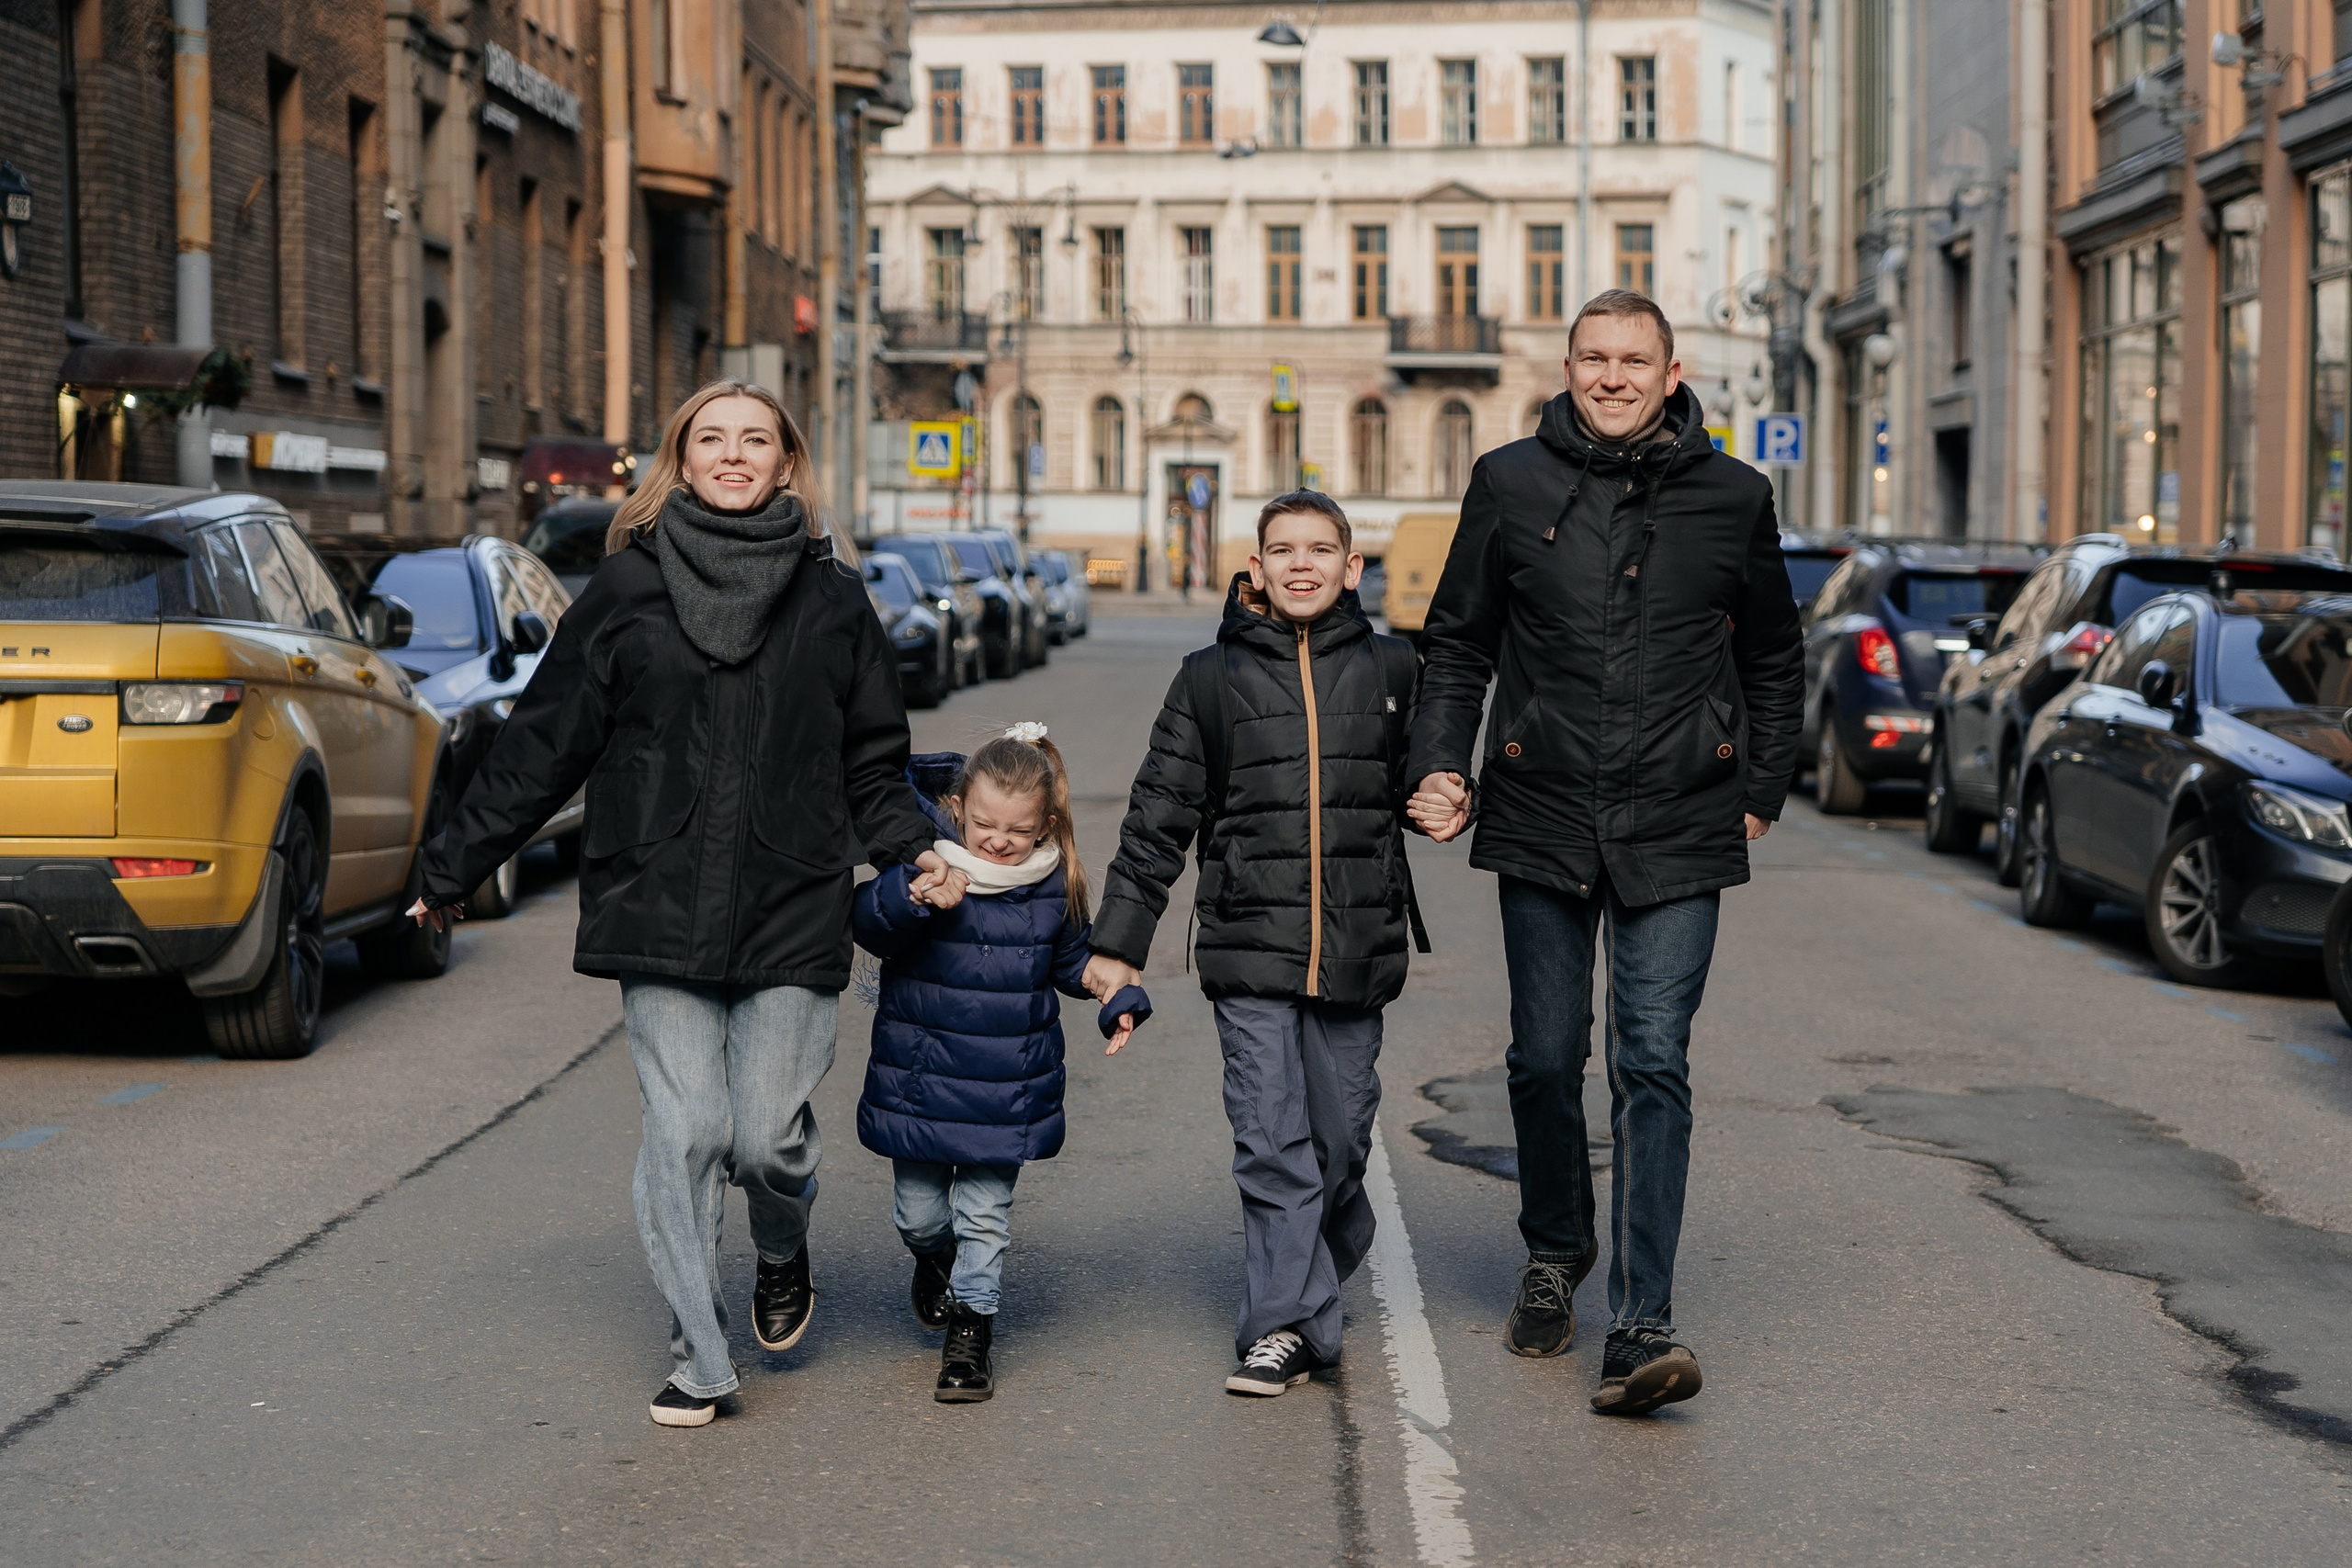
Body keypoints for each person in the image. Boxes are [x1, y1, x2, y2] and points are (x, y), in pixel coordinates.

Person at [404, 378, 962, 1429]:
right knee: (688, 1132)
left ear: (787, 463)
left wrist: (923, 852)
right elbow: (544, 741)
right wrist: (448, 868)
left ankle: (782, 1247)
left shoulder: (834, 600)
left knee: (768, 1144)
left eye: (757, 440)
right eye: (714, 439)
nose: (736, 455)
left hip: (793, 901)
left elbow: (874, 767)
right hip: (656, 897)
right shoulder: (625, 591)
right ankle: (699, 1358)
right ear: (683, 459)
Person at [1405, 289, 1804, 1416]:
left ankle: (1640, 1327)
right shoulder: (1509, 482)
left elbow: (1775, 653)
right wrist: (1440, 764)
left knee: (1652, 1060)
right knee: (1540, 1058)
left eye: (1636, 360)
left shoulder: (1733, 497)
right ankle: (1553, 1251)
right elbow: (1457, 643)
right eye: (1595, 358)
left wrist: (1760, 788)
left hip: (1681, 817)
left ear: (1672, 373)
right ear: (1568, 366)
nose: (1614, 377)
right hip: (1539, 808)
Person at [1087, 490, 1424, 1397]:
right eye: (1284, 550)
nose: (1303, 564)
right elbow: (1158, 816)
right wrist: (1119, 943)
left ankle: (1306, 1292)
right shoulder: (1208, 677)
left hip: (1357, 949)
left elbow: (1438, 778)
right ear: (1257, 567)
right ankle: (1281, 1326)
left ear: (1353, 568)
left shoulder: (1397, 670)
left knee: (1339, 1148)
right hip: (1247, 947)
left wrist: (1449, 796)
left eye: (1322, 549)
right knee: (1271, 1144)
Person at [851, 726, 1147, 1404]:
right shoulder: (926, 863)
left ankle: (971, 1333)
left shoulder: (1051, 884)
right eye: (984, 822)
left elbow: (1075, 961)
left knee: (984, 1215)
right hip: (922, 1080)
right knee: (919, 1216)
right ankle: (937, 1263)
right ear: (957, 807)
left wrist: (1117, 995)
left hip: (1006, 1083)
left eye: (1018, 828)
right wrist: (913, 896)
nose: (998, 840)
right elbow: (867, 921)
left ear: (1045, 824)